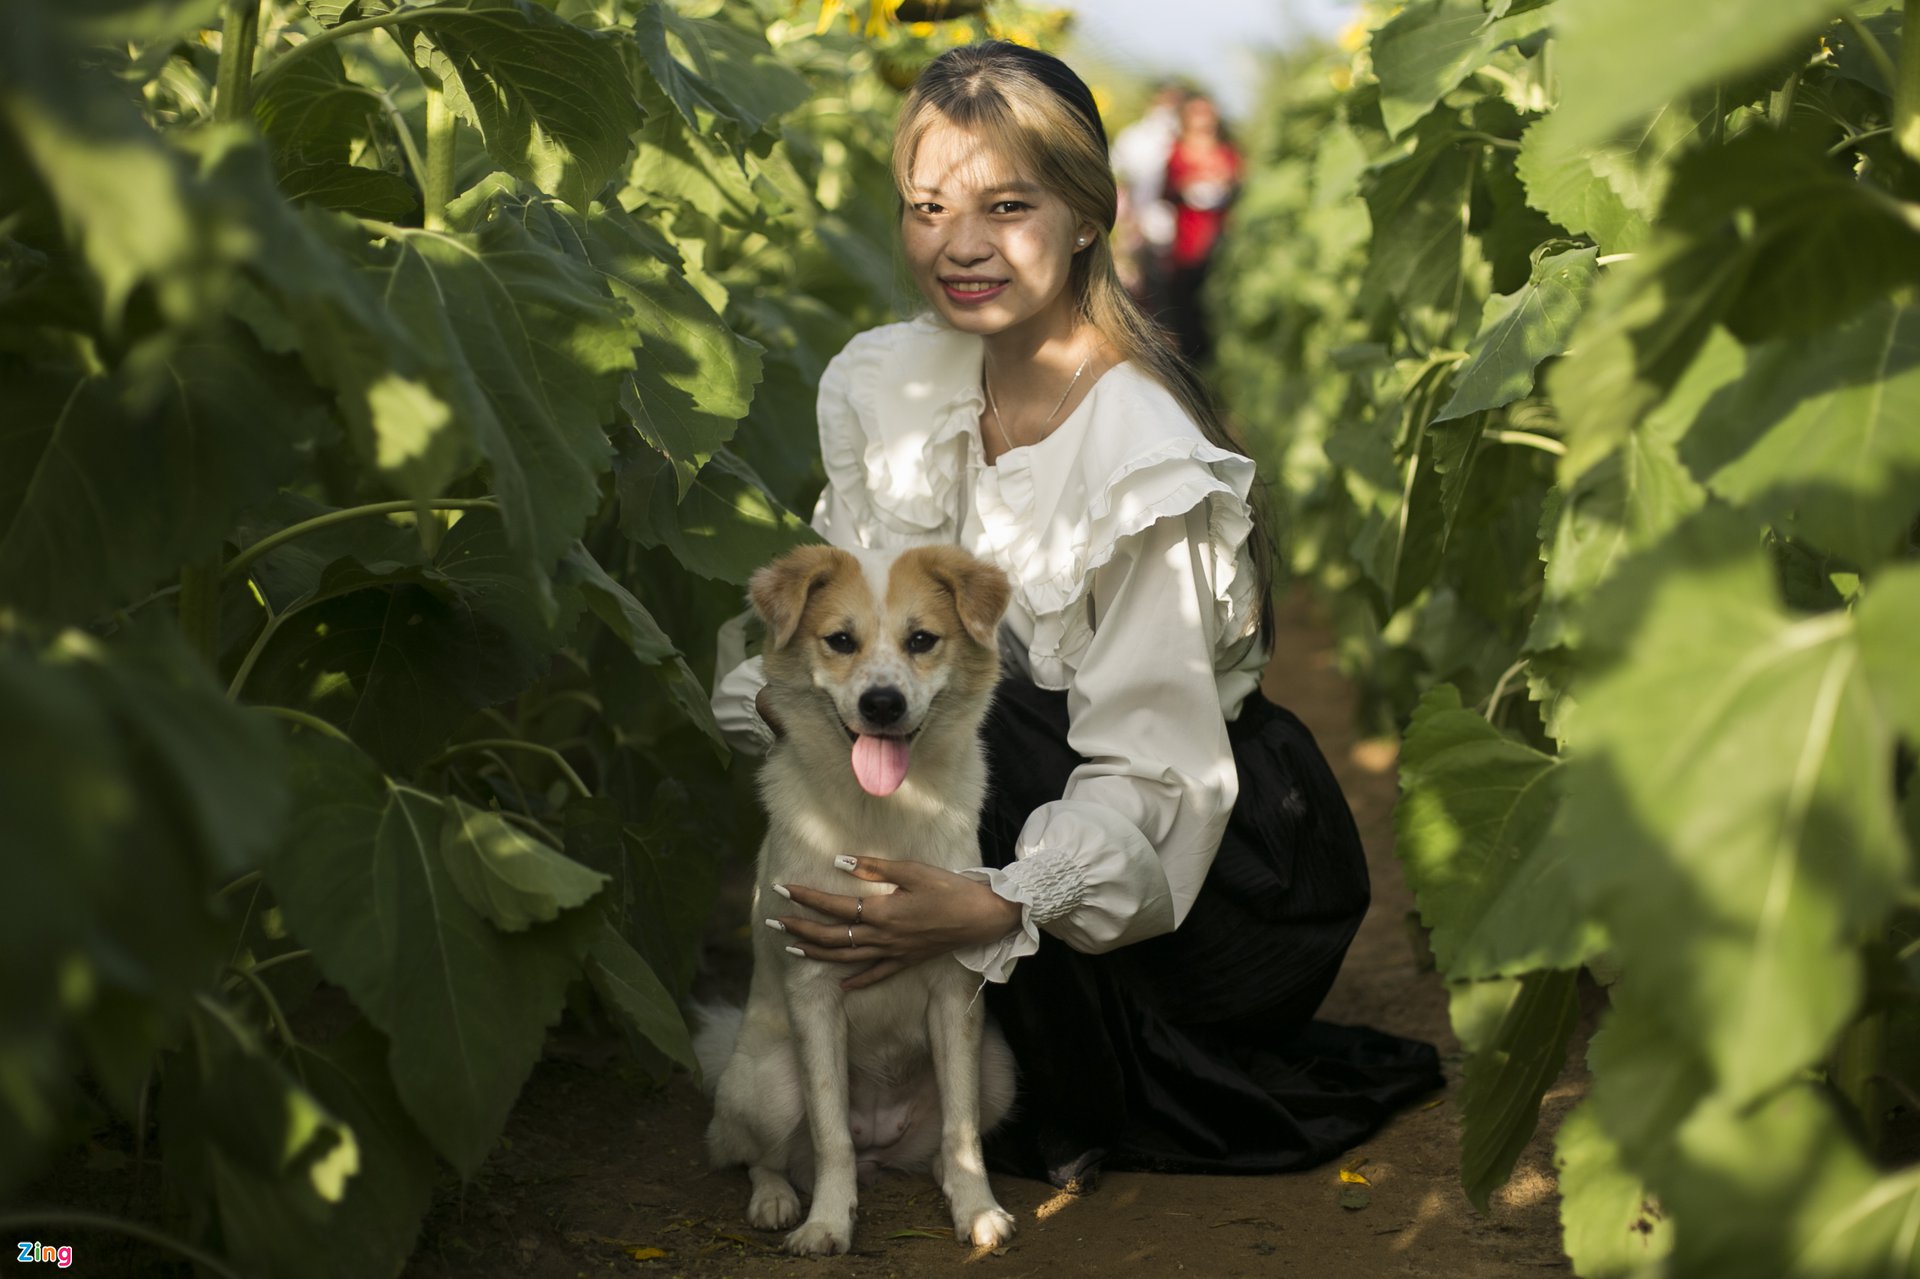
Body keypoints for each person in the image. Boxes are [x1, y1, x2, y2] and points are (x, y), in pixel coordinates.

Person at [712, 41, 1439, 1191]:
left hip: (1196, 873)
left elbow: (1159, 770)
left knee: (970, 706)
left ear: (1091, 214)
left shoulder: (1141, 450)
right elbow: (844, 624)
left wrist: (992, 900)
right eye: (927, 206)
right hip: (1001, 786)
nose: (959, 244)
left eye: (1008, 205)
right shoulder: (897, 384)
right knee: (911, 695)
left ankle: (1054, 1049)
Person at [1162, 92, 1241, 365]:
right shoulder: (1176, 152)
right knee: (1188, 312)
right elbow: (1167, 190)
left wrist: (1226, 186)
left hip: (1220, 240)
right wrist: (1187, 187)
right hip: (1188, 243)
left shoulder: (1227, 153)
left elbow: (1239, 190)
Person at [1108, 81, 1184, 318]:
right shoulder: (1135, 137)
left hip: (1178, 232)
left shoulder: (1184, 139)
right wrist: (1127, 221)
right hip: (1138, 227)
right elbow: (1118, 179)